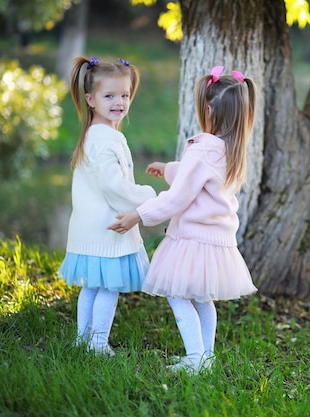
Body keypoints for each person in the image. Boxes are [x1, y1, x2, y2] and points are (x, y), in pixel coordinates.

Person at [109, 65, 258, 373]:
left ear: (208, 109)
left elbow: (179, 197)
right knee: (203, 300)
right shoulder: (232, 151)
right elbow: (201, 181)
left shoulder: (203, 149)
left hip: (192, 239)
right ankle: (205, 357)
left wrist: (139, 214)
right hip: (216, 243)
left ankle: (195, 358)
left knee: (177, 296)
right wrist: (170, 169)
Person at [58, 56, 157, 356]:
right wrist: (149, 196)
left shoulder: (101, 134)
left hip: (92, 228)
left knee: (92, 287)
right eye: (110, 95)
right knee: (107, 288)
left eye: (125, 95)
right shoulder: (103, 139)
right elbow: (114, 187)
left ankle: (83, 339)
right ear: (90, 99)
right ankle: (97, 343)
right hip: (108, 228)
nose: (119, 102)